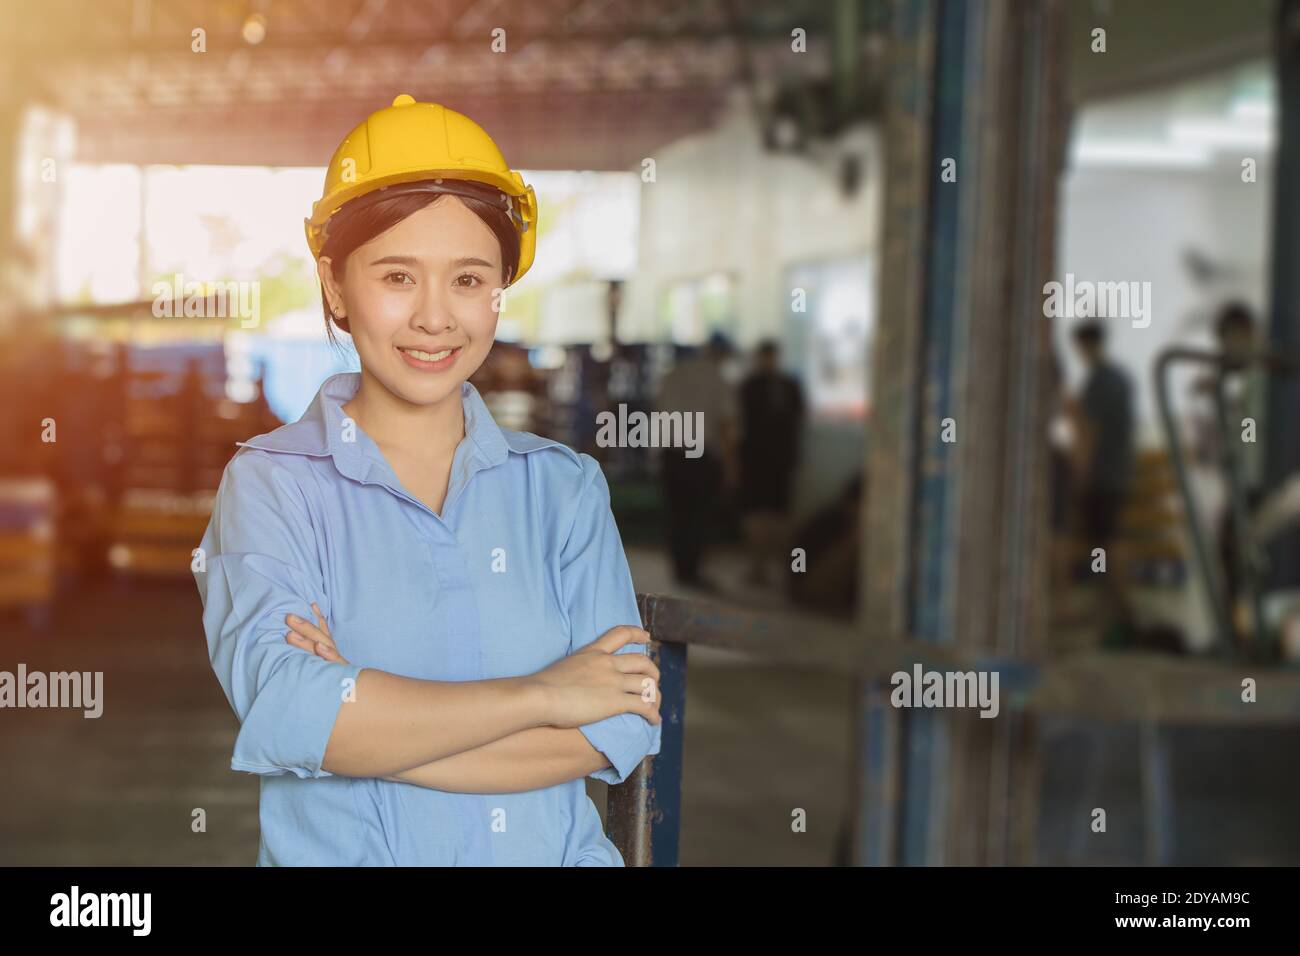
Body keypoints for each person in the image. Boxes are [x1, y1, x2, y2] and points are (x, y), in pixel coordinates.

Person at [193, 94, 661, 866]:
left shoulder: (562, 490)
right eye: (398, 276)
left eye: (470, 280)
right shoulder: (274, 487)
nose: (437, 319)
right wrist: (544, 695)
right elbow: (285, 707)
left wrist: (357, 724)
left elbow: (623, 719)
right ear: (336, 287)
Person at [653, 331, 738, 591]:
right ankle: (692, 570)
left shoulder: (674, 374)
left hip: (672, 454)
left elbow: (658, 413)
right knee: (698, 515)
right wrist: (731, 464)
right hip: (700, 457)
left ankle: (681, 569)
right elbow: (725, 425)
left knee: (677, 513)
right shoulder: (718, 380)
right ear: (721, 355)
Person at [1070, 318, 1135, 631]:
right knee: (1113, 538)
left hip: (1100, 475)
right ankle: (1118, 608)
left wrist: (1080, 477)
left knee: (1103, 543)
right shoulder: (1121, 379)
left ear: (1086, 345)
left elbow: (1089, 434)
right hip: (1120, 471)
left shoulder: (1097, 382)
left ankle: (1112, 608)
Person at [738, 339, 804, 588]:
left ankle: (774, 566)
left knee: (776, 512)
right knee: (758, 513)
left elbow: (797, 421)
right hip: (757, 459)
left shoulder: (786, 386)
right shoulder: (752, 387)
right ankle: (759, 566)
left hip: (776, 459)